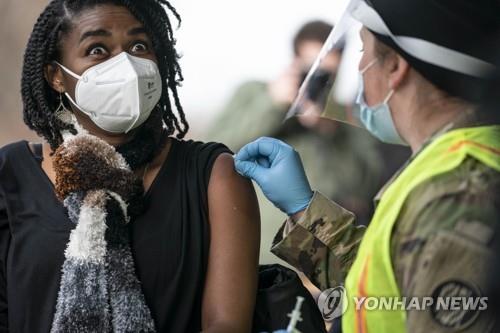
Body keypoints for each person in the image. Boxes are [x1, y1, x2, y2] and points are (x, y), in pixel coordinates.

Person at [234, 0, 500, 332]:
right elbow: (384, 286)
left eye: (362, 49)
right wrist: (305, 211)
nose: (359, 65)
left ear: (395, 68)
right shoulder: (447, 166)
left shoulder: (458, 192)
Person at [0, 1, 260, 332]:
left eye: (139, 46)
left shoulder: (214, 176)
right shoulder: (11, 176)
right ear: (56, 77)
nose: (126, 64)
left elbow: (227, 325)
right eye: (97, 49)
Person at [205, 21, 391, 264]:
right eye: (312, 70)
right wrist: (273, 104)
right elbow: (216, 150)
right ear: (295, 61)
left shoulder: (347, 115)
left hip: (325, 259)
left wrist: (329, 131)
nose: (319, 80)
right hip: (259, 254)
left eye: (327, 73)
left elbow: (363, 185)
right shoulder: (256, 94)